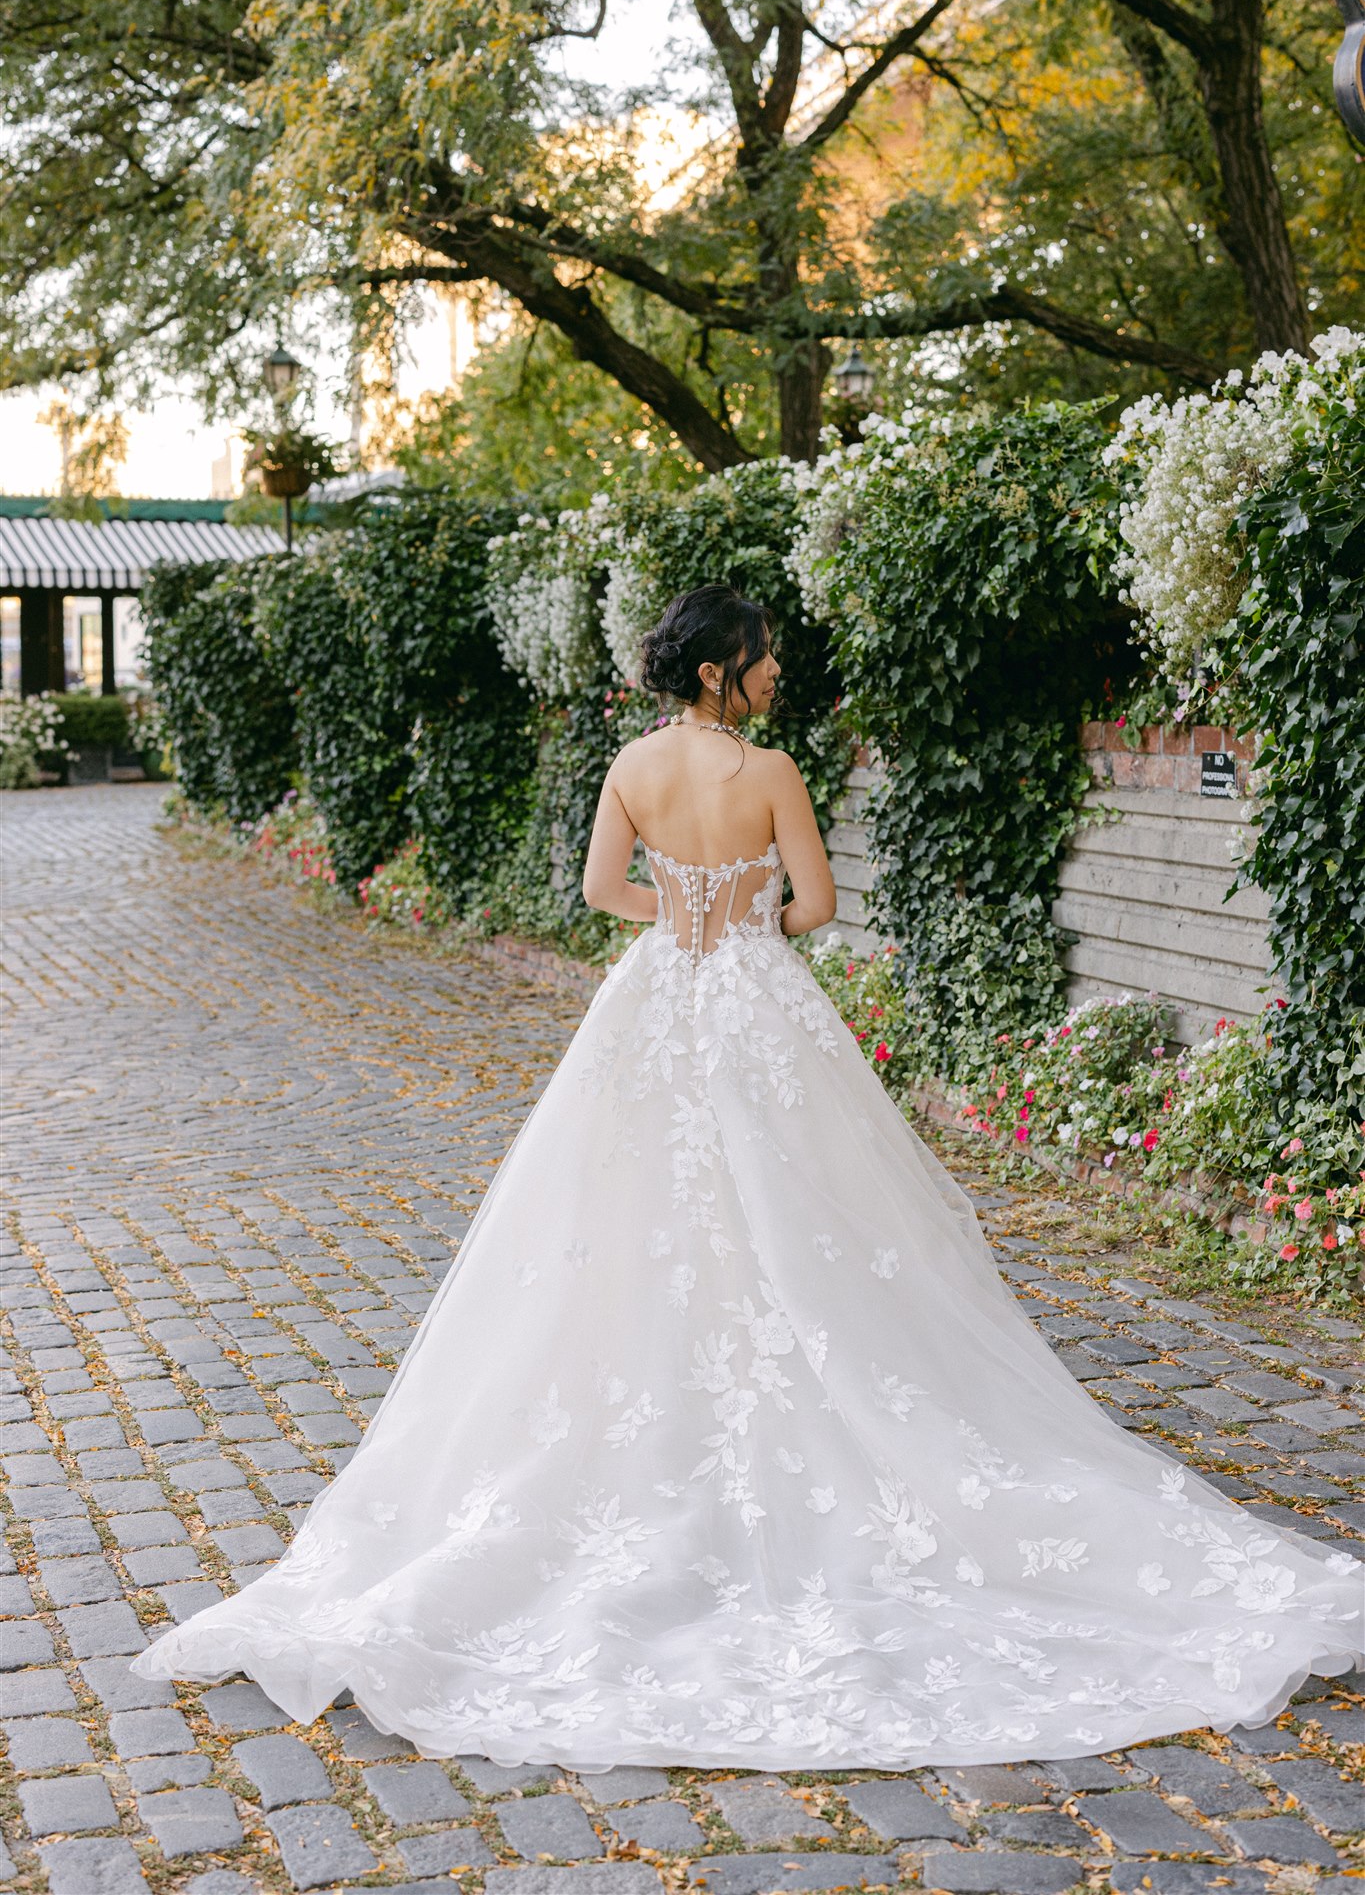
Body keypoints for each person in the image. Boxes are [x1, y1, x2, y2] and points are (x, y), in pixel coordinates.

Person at [133, 582, 1364, 1769]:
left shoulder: (631, 766)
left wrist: (681, 923)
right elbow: (817, 904)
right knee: (806, 1210)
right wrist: (748, 928)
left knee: (621, 1219)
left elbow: (597, 889)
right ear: (725, 666)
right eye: (766, 654)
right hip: (755, 1005)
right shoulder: (769, 772)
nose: (779, 671)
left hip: (658, 994)